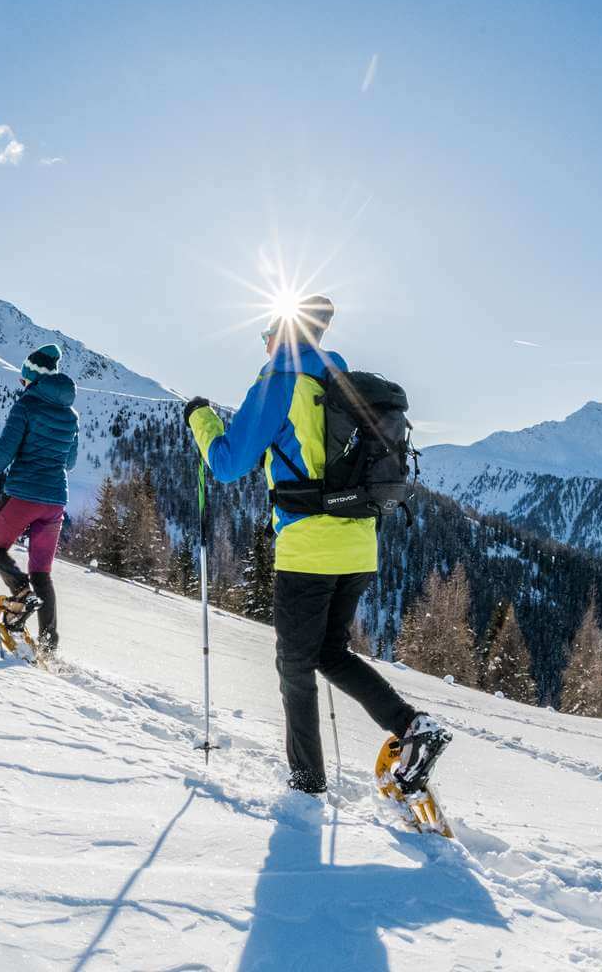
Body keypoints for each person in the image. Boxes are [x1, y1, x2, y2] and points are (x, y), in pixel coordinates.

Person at [182, 296, 449, 795]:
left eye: (267, 332)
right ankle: (412, 729)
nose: (263, 342)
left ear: (282, 336)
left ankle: (306, 783)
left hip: (309, 548)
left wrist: (200, 418)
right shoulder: (344, 383)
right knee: (329, 651)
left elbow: (227, 463)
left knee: (295, 665)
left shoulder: (279, 381)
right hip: (361, 544)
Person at [0, 344, 79, 655]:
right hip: (56, 500)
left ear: (32, 378)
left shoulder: (26, 406)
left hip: (24, 495)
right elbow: (69, 462)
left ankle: (21, 592)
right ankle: (48, 643)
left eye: (24, 380)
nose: (22, 385)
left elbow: (5, 452)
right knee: (42, 571)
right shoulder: (72, 415)